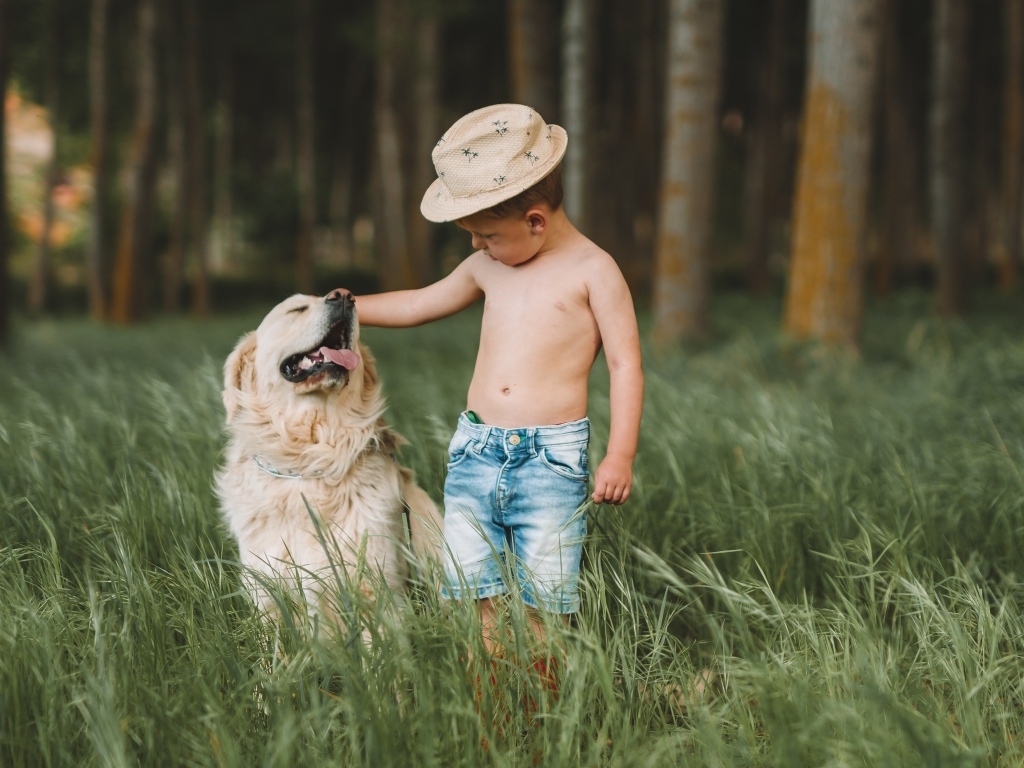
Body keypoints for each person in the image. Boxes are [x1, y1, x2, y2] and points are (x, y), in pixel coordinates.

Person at [354, 104, 643, 657]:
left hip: (550, 462)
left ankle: (539, 705)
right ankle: (487, 699)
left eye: (485, 234)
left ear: (535, 220)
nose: (475, 246)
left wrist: (620, 454)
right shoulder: (489, 266)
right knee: (472, 587)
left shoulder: (594, 271)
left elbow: (625, 364)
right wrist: (347, 309)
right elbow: (419, 303)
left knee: (545, 595)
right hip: (476, 453)